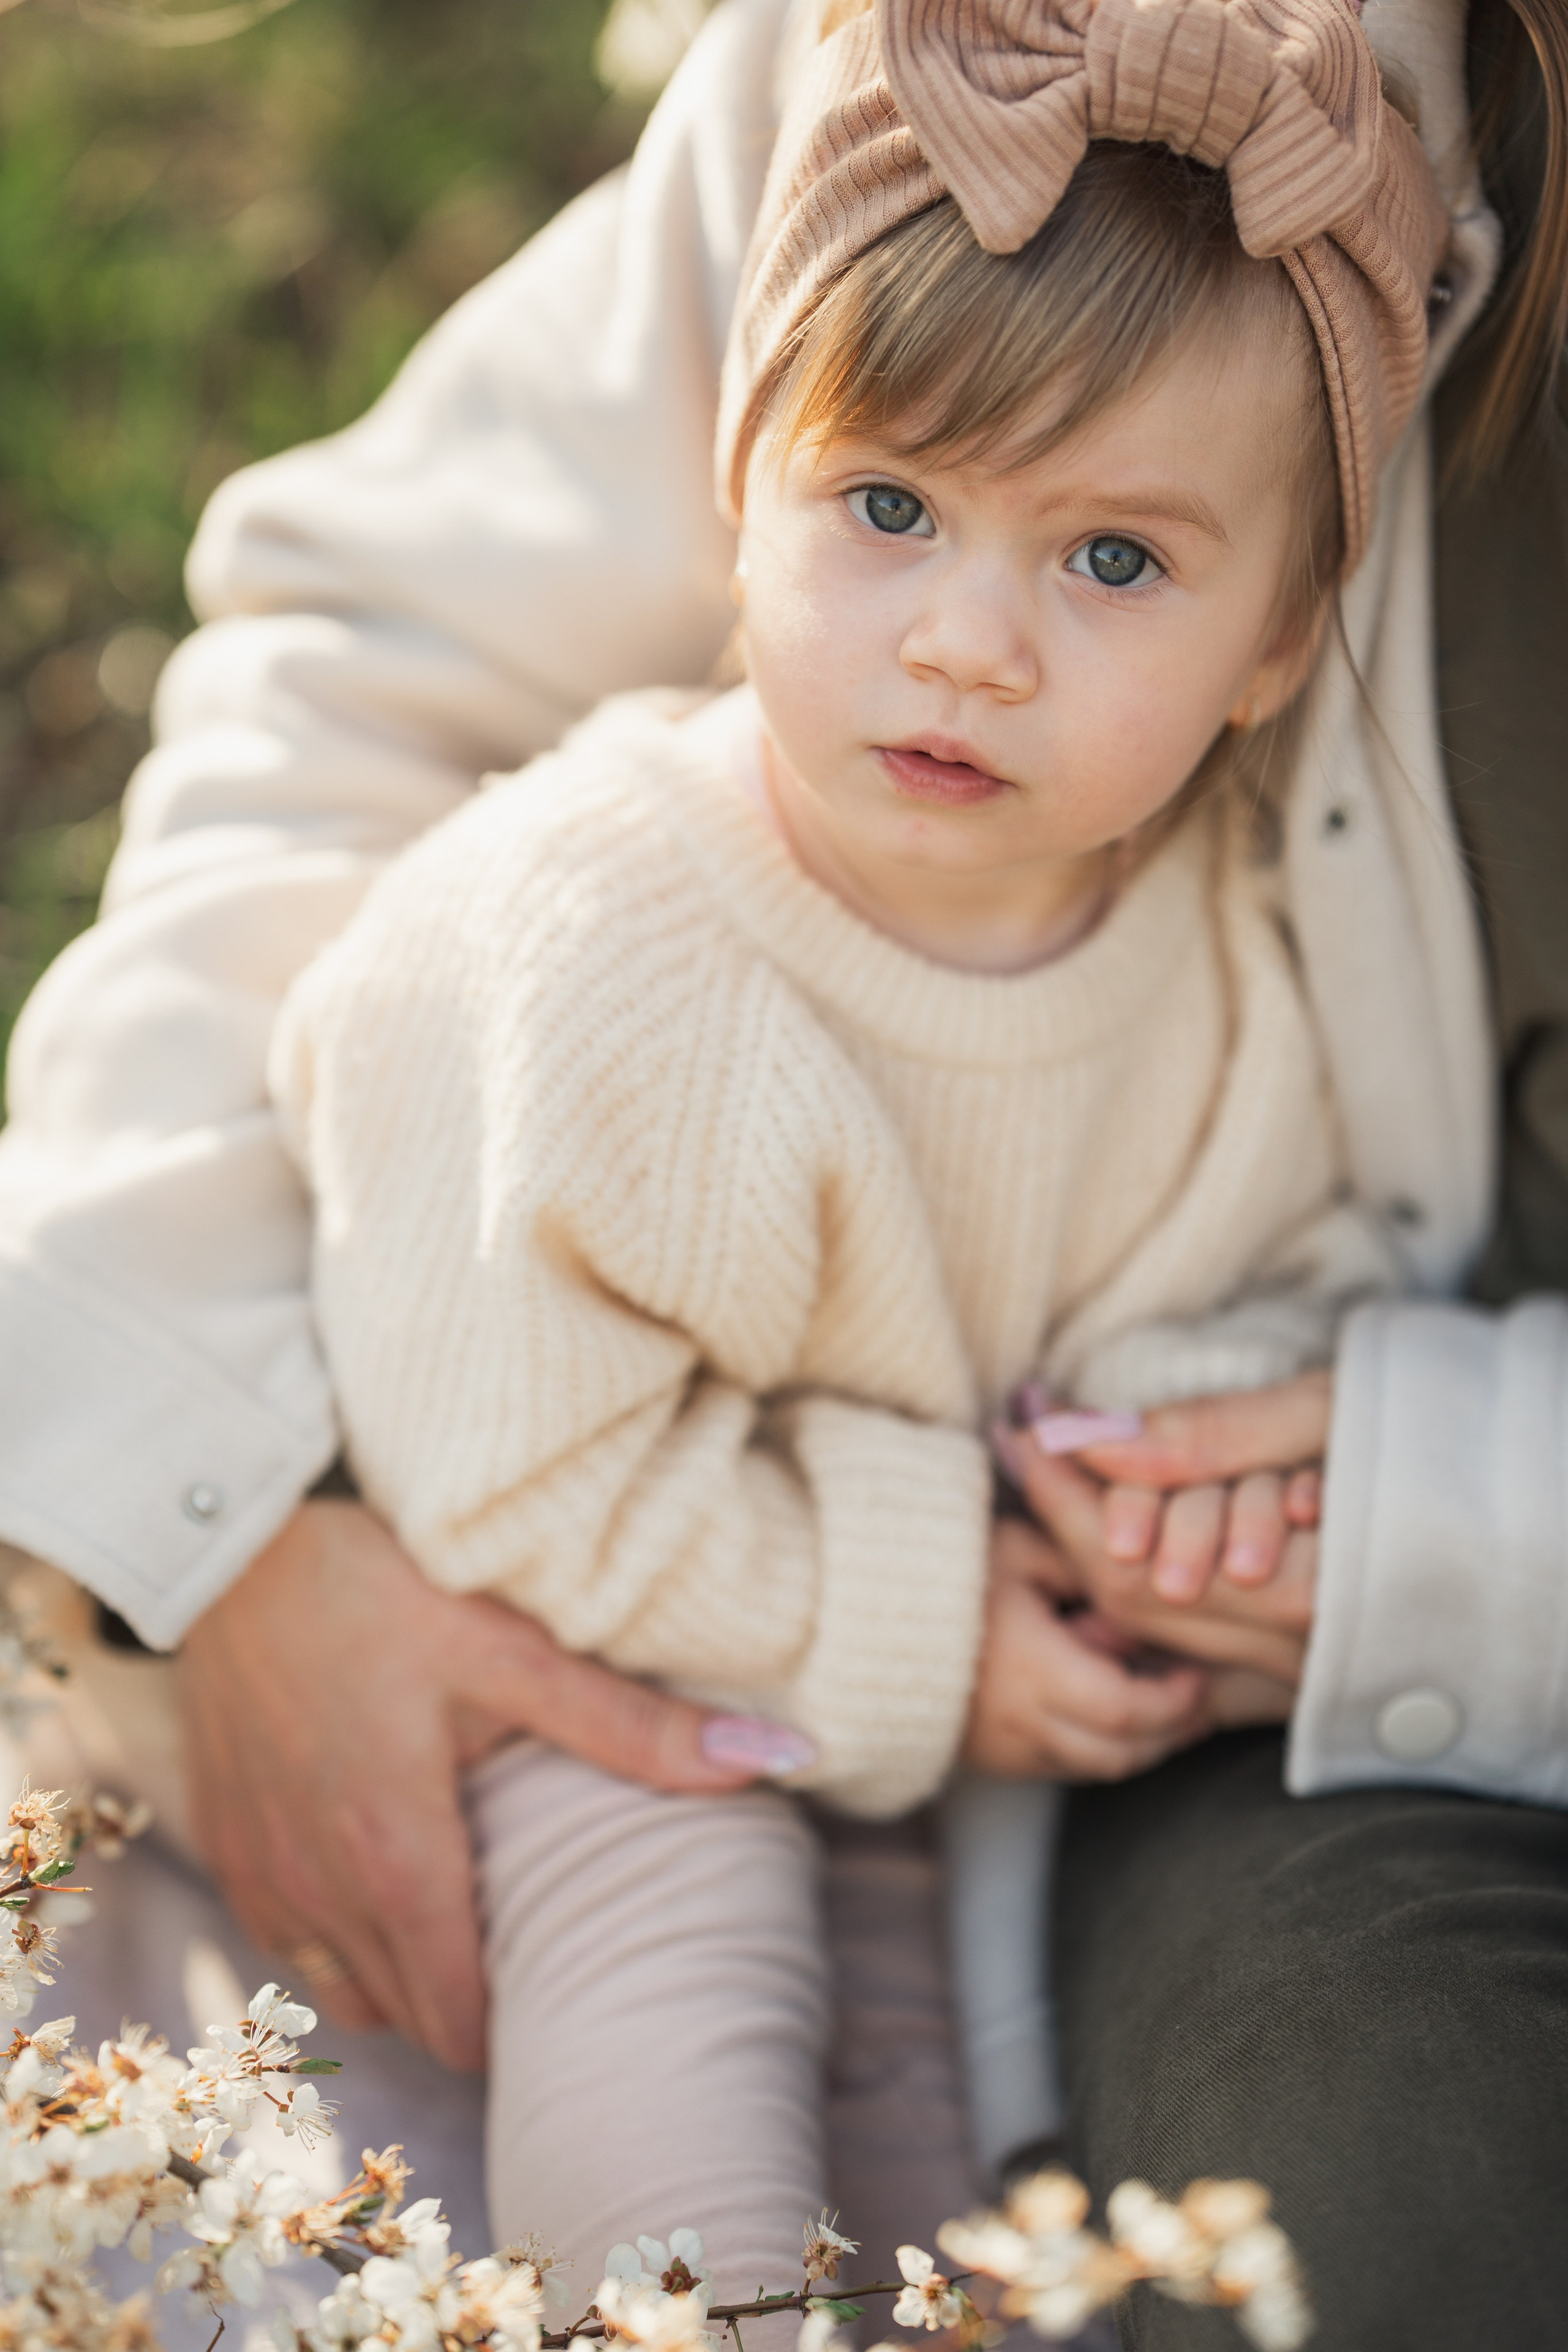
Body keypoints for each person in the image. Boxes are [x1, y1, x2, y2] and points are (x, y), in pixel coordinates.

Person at [0, 0, 1563, 2339]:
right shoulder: (573, 958)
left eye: (1117, 561)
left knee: (960, 2068)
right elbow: (514, 1478)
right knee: (658, 1902)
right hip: (610, 1597)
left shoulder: (1215, 945)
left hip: (968, 1615)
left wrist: (1223, 1470)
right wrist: (205, 1530)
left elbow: (1276, 1235)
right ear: (738, 481)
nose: (967, 643)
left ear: (1281, 644)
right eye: (890, 509)